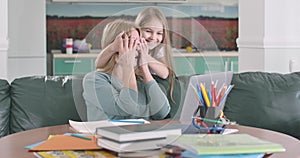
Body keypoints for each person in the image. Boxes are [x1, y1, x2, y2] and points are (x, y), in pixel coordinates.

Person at [83, 19, 170, 121]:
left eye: (139, 42)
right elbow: (127, 109)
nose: (137, 47)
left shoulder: (141, 81)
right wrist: (127, 66)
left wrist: (145, 68)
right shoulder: (94, 80)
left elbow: (162, 113)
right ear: (115, 46)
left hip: (142, 135)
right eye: (132, 42)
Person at [95, 7, 177, 104]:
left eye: (159, 33)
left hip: (159, 88)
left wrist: (145, 57)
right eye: (148, 31)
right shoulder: (131, 46)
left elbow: (164, 73)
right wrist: (113, 47)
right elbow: (98, 64)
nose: (153, 37)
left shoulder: (159, 49)